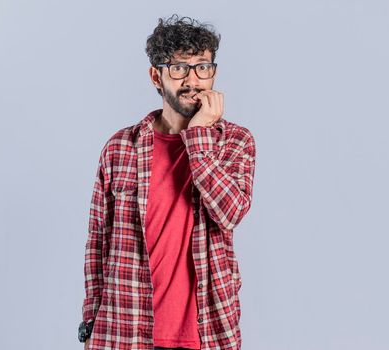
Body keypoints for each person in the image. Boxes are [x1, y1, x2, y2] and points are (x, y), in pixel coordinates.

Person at [78, 14, 256, 350]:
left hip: (205, 331)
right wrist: (91, 319)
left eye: (202, 66)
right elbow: (97, 242)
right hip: (125, 328)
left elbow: (230, 213)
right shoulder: (120, 148)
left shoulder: (235, 141)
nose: (193, 79)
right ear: (156, 77)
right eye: (179, 68)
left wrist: (199, 135)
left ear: (213, 72)